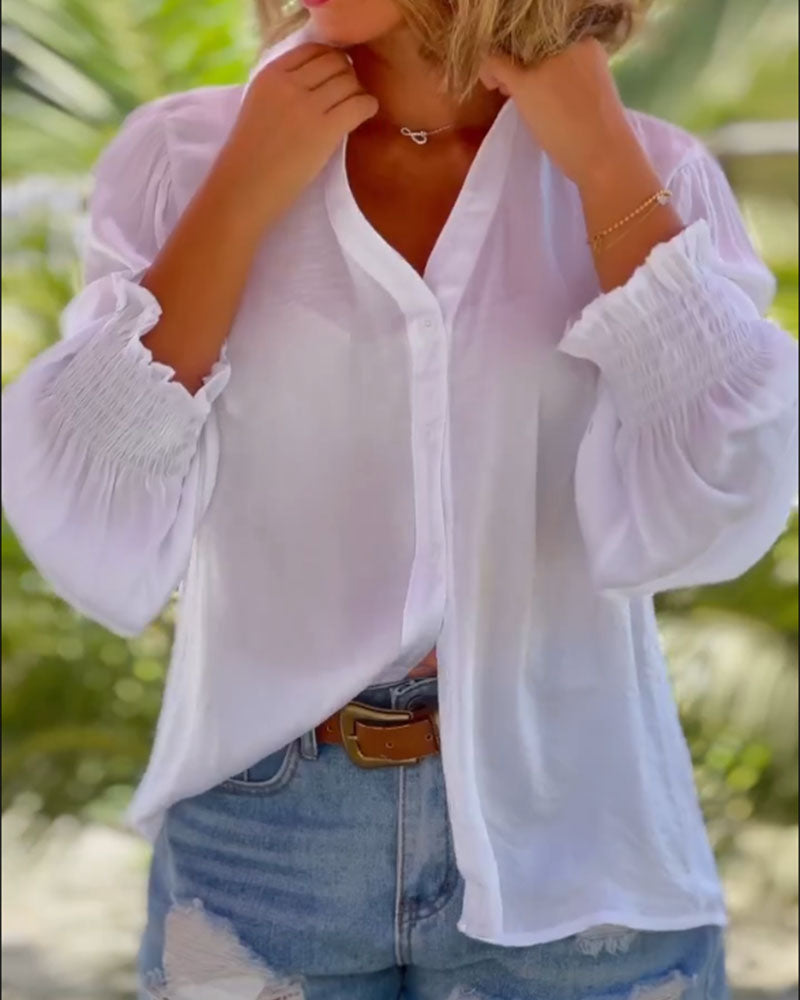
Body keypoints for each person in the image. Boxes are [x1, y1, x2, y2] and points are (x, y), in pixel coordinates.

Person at [2, 0, 798, 995]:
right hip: (263, 836)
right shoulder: (182, 155)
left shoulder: (653, 169)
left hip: (576, 833)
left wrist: (601, 161)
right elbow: (89, 502)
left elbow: (722, 502)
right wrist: (243, 188)